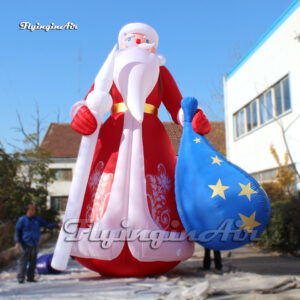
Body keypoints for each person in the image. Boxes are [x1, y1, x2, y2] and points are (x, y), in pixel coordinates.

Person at [52, 22, 211, 276]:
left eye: (144, 39)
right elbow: (92, 100)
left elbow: (177, 105)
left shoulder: (161, 73)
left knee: (157, 184)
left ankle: (160, 242)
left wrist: (191, 118)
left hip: (152, 139)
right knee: (102, 183)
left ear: (155, 47)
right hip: (112, 138)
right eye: (131, 38)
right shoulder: (109, 69)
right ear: (121, 41)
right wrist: (83, 114)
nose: (138, 42)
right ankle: (94, 241)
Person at [15, 203, 61, 283]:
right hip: (25, 243)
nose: (34, 211)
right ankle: (21, 277)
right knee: (24, 261)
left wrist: (57, 224)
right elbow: (17, 231)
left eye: (34, 209)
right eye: (32, 209)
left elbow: (47, 225)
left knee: (33, 261)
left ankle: (30, 277)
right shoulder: (22, 220)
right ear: (28, 210)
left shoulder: (37, 219)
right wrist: (17, 241)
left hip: (34, 242)